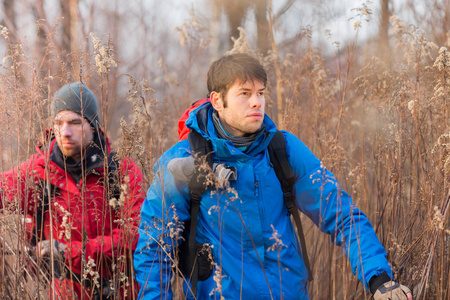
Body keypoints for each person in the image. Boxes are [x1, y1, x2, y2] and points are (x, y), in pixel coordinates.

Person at [133, 54, 413, 299]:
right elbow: (154, 248)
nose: (256, 102)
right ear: (218, 100)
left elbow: (341, 215)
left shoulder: (283, 150)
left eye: (261, 93)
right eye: (244, 93)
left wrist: (380, 279)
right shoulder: (179, 161)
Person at [0, 82, 145, 299]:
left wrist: (68, 252)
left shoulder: (122, 171)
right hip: (64, 293)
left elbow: (136, 235)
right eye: (59, 123)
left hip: (120, 291)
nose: (65, 132)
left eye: (75, 123)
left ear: (93, 125)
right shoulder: (38, 173)